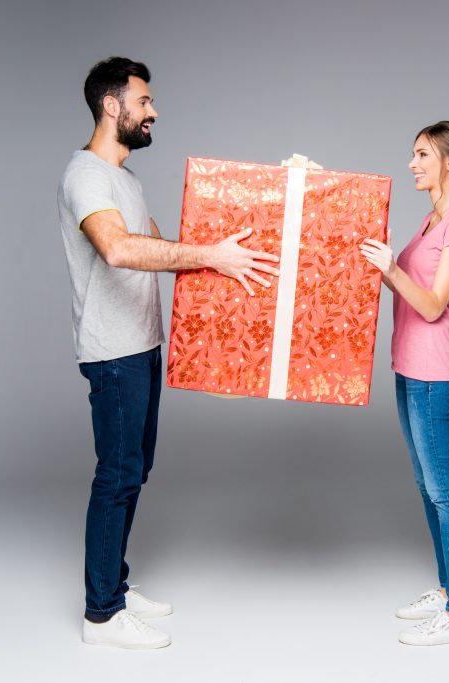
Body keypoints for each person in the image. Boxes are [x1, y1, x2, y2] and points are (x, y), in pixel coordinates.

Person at [57, 56, 280, 650]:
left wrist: (264, 207)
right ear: (113, 106)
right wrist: (210, 254)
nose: (153, 111)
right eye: (145, 101)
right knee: (118, 474)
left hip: (144, 345)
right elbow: (119, 250)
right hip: (114, 352)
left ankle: (116, 588)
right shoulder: (86, 176)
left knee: (136, 471)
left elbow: (162, 246)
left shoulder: (124, 179)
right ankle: (101, 614)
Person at [359, 120, 449, 646]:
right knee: (425, 487)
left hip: (434, 372)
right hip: (406, 367)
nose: (412, 163)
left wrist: (391, 269)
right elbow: (406, 283)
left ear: (448, 162)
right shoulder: (432, 219)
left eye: (422, 155)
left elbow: (432, 305)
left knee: (444, 491)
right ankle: (446, 586)